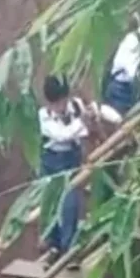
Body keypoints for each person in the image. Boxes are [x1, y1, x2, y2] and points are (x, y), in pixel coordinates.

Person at [38, 74, 95, 261]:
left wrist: (91, 115)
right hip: (52, 162)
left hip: (71, 159)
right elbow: (62, 135)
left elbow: (85, 129)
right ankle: (53, 243)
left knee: (70, 204)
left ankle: (68, 247)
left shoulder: (76, 106)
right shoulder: (44, 116)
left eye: (63, 101)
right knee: (51, 202)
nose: (61, 107)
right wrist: (82, 122)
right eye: (56, 104)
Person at [99, 24, 140, 126]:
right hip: (120, 90)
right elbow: (133, 74)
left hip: (134, 89)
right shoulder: (132, 41)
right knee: (121, 123)